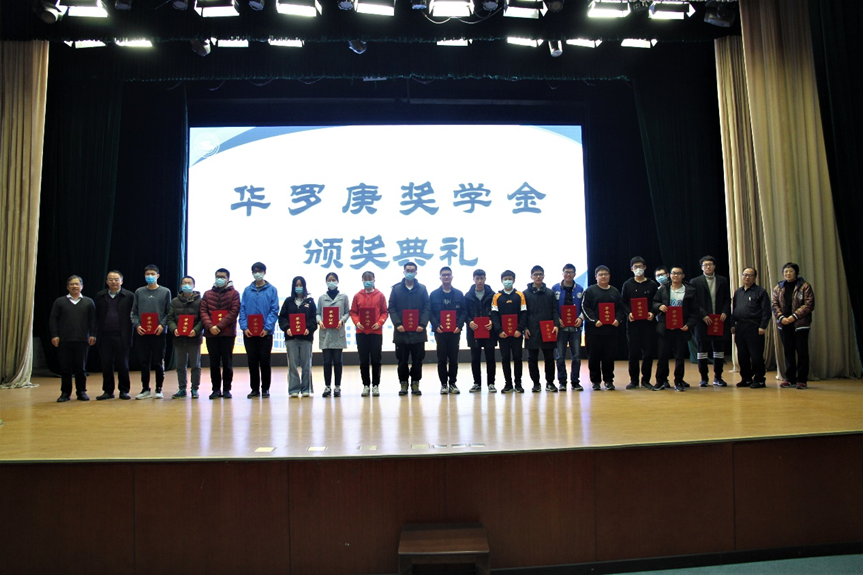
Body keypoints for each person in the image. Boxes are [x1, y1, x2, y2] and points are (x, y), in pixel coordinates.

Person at [50, 275, 96, 402]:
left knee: (81, 368)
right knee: (65, 368)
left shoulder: (88, 302)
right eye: (72, 284)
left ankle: (81, 392)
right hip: (64, 340)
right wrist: (54, 335)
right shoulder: (60, 302)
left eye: (77, 284)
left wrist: (93, 334)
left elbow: (93, 320)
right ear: (67, 287)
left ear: (82, 286)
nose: (74, 286)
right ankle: (65, 393)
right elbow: (53, 319)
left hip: (82, 340)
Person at [652, 266, 699, 391]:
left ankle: (678, 380)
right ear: (670, 275)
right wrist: (659, 306)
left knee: (679, 356)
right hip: (665, 328)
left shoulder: (689, 291)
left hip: (681, 328)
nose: (675, 275)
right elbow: (654, 302)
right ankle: (660, 381)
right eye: (673, 273)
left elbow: (694, 311)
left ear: (683, 276)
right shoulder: (663, 289)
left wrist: (689, 324)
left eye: (678, 273)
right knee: (662, 356)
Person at [388, 261, 431, 397]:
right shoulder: (396, 289)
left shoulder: (422, 289)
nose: (410, 273)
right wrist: (397, 324)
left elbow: (427, 307)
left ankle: (415, 382)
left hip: (418, 332)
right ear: (404, 272)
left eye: (412, 270)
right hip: (401, 332)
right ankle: (403, 383)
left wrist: (422, 324)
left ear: (416, 273)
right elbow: (391, 308)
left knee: (418, 360)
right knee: (402, 360)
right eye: (408, 270)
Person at [238, 262, 280, 399]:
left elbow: (274, 310)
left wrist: (267, 328)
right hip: (249, 333)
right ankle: (254, 389)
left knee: (265, 361)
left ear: (264, 272)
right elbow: (242, 310)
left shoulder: (272, 290)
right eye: (255, 271)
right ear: (252, 273)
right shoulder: (247, 290)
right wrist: (244, 327)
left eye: (260, 271)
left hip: (265, 333)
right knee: (252, 361)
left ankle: (265, 388)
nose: (257, 273)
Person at [771, 262, 815, 389]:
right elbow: (774, 304)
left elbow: (809, 304)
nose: (788, 273)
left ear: (796, 272)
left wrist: (794, 316)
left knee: (802, 352)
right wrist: (781, 317)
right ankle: (790, 379)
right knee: (788, 351)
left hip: (800, 324)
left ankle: (802, 380)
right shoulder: (779, 287)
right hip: (784, 324)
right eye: (786, 271)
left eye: (790, 271)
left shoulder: (804, 286)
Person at [131, 265, 172, 399]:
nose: (150, 276)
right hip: (142, 333)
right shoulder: (139, 292)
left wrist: (162, 325)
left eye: (152, 274)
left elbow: (169, 312)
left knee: (158, 361)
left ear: (158, 276)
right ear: (144, 276)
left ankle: (159, 388)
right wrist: (137, 326)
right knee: (144, 362)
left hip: (159, 333)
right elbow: (134, 312)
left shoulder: (165, 291)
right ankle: (145, 389)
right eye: (147, 274)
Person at [581, 265, 625, 391]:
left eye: (606, 274)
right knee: (593, 357)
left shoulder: (615, 291)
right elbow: (584, 307)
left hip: (610, 331)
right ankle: (595, 381)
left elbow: (620, 308)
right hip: (593, 331)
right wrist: (594, 321)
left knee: (609, 357)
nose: (603, 276)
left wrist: (618, 319)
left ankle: (609, 380)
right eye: (600, 274)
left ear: (609, 276)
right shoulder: (590, 291)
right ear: (596, 277)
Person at [93, 270, 134, 400]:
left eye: (116, 279)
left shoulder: (129, 296)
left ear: (122, 281)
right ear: (106, 281)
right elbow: (95, 316)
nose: (113, 282)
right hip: (104, 336)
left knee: (123, 364)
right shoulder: (100, 296)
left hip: (122, 335)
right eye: (110, 279)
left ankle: (124, 390)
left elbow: (134, 315)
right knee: (106, 364)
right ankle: (108, 391)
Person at [200, 268, 240, 399]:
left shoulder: (234, 294)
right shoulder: (207, 294)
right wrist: (210, 327)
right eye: (217, 276)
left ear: (228, 279)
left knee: (227, 363)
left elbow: (234, 312)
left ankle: (227, 389)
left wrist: (219, 326)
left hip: (227, 334)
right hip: (211, 334)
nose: (219, 279)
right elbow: (203, 311)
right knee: (214, 363)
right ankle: (216, 389)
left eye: (222, 277)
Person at [691, 255, 731, 387]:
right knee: (702, 351)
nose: (708, 267)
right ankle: (704, 378)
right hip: (703, 321)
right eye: (705, 265)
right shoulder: (695, 281)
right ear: (701, 267)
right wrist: (703, 315)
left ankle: (718, 377)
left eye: (710, 264)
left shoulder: (722, 280)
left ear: (714, 266)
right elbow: (693, 302)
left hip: (719, 320)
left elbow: (727, 299)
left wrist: (725, 311)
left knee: (719, 350)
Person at [621, 257, 659, 390]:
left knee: (648, 353)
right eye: (635, 267)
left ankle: (646, 380)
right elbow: (623, 302)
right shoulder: (627, 284)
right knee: (633, 353)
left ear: (645, 267)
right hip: (633, 324)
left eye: (640, 266)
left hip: (648, 323)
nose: (638, 269)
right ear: (631, 269)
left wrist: (653, 312)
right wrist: (628, 313)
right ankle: (634, 380)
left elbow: (656, 302)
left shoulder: (652, 284)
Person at [731, 267, 772, 389]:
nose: (747, 277)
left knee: (756, 355)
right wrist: (732, 324)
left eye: (750, 275)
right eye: (745, 274)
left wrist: (763, 326)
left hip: (754, 326)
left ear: (755, 277)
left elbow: (766, 311)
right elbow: (734, 309)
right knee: (742, 355)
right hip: (740, 327)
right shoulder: (738, 292)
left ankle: (759, 379)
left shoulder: (760, 292)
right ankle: (746, 378)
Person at [350, 270, 388, 397]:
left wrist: (380, 322)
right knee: (363, 360)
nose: (367, 281)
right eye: (365, 279)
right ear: (362, 281)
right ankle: (366, 385)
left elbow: (384, 312)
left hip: (376, 332)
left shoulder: (380, 295)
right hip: (361, 332)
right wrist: (356, 322)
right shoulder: (357, 296)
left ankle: (376, 385)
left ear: (374, 280)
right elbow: (353, 312)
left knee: (376, 359)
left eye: (370, 278)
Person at [429, 266, 466, 395]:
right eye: (444, 275)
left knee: (454, 358)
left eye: (448, 274)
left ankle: (453, 383)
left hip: (455, 331)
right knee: (442, 358)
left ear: (452, 277)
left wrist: (459, 326)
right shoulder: (434, 294)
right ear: (440, 277)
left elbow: (464, 311)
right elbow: (430, 312)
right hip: (440, 332)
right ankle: (444, 384)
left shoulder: (459, 294)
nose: (446, 277)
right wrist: (436, 325)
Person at [279, 276, 317, 398]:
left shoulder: (310, 302)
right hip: (291, 338)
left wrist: (309, 328)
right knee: (292, 364)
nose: (299, 288)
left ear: (304, 287)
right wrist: (287, 328)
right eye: (296, 285)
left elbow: (314, 318)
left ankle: (306, 388)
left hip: (306, 338)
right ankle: (293, 389)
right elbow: (282, 318)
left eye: (301, 285)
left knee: (306, 364)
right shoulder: (288, 301)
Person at [524, 265, 560, 393]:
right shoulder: (525, 294)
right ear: (531, 277)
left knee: (549, 358)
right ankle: (536, 384)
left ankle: (550, 383)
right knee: (532, 358)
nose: (538, 277)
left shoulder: (550, 293)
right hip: (532, 329)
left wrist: (556, 325)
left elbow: (555, 310)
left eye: (540, 274)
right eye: (535, 274)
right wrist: (524, 328)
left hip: (548, 329)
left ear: (544, 276)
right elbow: (523, 313)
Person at [167, 276, 203, 399]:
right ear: (181, 286)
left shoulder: (200, 301)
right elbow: (170, 318)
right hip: (179, 338)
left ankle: (195, 389)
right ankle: (182, 389)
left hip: (194, 338)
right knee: (180, 365)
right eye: (184, 283)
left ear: (194, 285)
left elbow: (203, 319)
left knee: (195, 365)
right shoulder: (175, 301)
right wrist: (174, 329)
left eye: (189, 283)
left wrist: (196, 330)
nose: (187, 285)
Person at [491, 270, 527, 394]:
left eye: (510, 279)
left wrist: (519, 329)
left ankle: (518, 384)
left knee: (518, 358)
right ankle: (508, 384)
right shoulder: (497, 296)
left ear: (514, 280)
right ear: (502, 281)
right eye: (505, 279)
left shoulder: (520, 295)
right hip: (503, 335)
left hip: (517, 334)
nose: (507, 281)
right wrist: (499, 330)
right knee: (505, 358)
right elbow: (494, 315)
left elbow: (524, 313)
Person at [317, 272, 351, 398]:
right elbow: (317, 313)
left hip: (338, 332)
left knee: (337, 361)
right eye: (329, 280)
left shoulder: (343, 297)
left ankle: (337, 386)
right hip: (325, 333)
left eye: (333, 279)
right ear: (326, 282)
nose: (331, 282)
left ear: (337, 281)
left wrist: (342, 320)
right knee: (326, 361)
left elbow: (347, 312)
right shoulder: (322, 298)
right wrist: (319, 321)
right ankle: (327, 386)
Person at [552, 263, 584, 392]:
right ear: (562, 273)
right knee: (560, 357)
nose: (568, 274)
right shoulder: (555, 288)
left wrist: (581, 318)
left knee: (576, 357)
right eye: (566, 272)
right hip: (561, 329)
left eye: (571, 272)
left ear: (574, 274)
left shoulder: (580, 289)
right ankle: (562, 382)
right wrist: (557, 320)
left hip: (575, 329)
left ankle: (575, 382)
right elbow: (552, 308)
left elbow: (584, 307)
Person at [464, 269, 497, 393]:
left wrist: (492, 321)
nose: (479, 281)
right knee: (475, 358)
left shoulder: (492, 295)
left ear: (485, 279)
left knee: (490, 358)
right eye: (477, 278)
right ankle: (477, 383)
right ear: (473, 279)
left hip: (489, 330)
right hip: (474, 331)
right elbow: (464, 312)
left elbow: (496, 311)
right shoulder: (467, 296)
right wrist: (469, 322)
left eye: (481, 278)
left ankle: (491, 383)